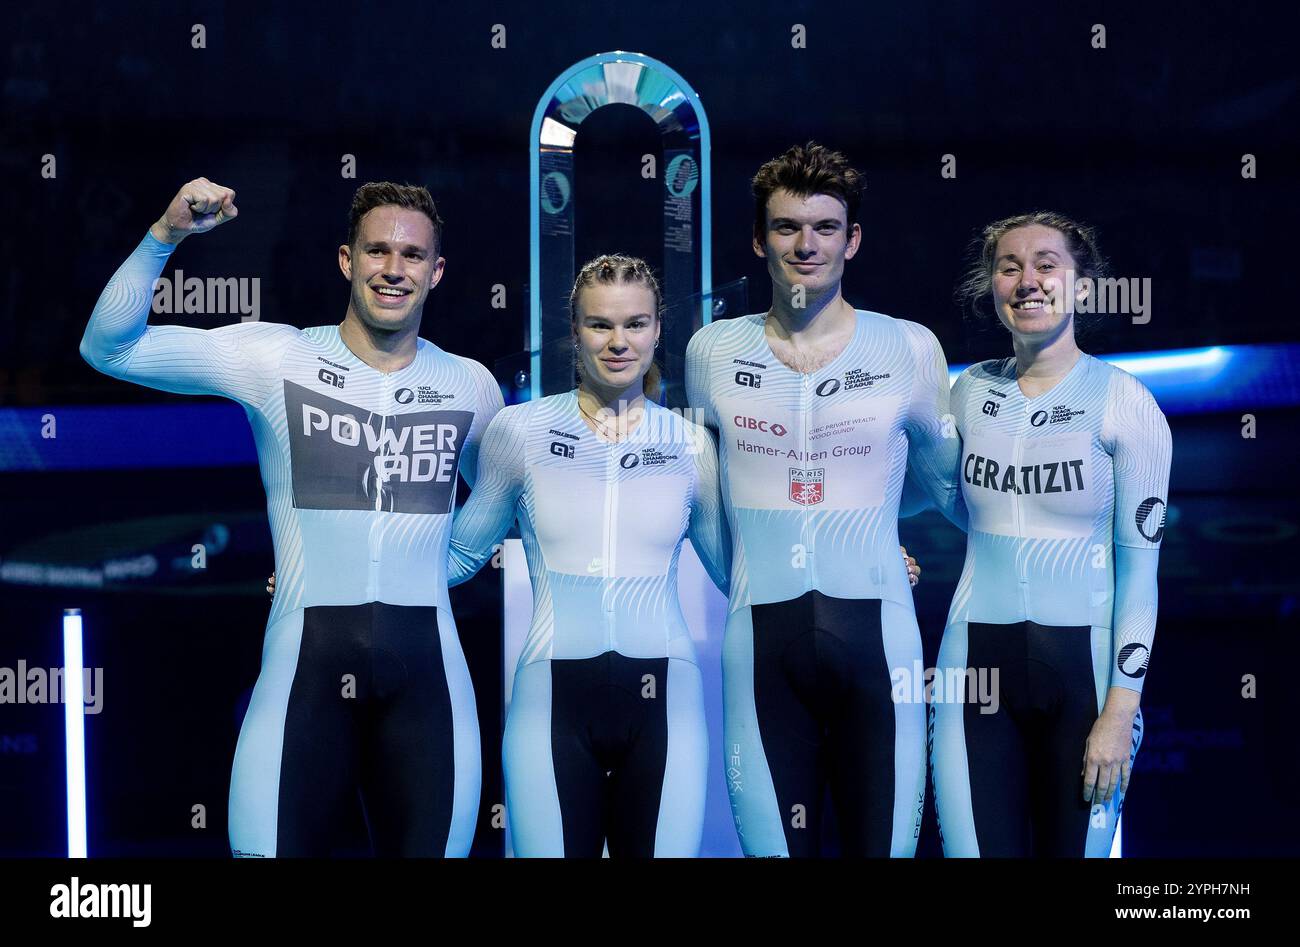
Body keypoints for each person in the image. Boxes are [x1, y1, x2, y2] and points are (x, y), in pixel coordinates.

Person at [80, 178, 503, 857]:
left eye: (412, 255)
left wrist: (433, 566)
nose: (393, 269)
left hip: (431, 686)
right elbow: (109, 349)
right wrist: (167, 233)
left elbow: (499, 502)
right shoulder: (277, 356)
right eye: (377, 251)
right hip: (301, 676)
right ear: (346, 260)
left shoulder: (472, 386)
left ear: (437, 271)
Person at [684, 142, 964, 857]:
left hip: (881, 641)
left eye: (825, 228)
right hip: (760, 642)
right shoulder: (711, 351)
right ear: (758, 239)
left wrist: (868, 542)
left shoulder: (909, 348)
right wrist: (751, 579)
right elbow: (707, 508)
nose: (805, 245)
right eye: (785, 227)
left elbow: (951, 492)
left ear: (853, 239)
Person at [439, 254, 727, 856]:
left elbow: (739, 573)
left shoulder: (690, 445)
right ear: (573, 331)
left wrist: (871, 562)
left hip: (666, 698)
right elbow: (461, 555)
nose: (618, 342)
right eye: (600, 325)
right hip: (551, 700)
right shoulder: (520, 433)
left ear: (656, 330)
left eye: (635, 324)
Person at [928, 212, 1172, 857]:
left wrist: (1120, 712)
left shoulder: (1126, 403)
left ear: (1083, 287)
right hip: (973, 666)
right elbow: (946, 504)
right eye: (1009, 267)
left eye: (1046, 265)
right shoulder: (968, 391)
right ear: (991, 287)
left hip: (1087, 678)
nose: (1027, 280)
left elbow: (1141, 574)